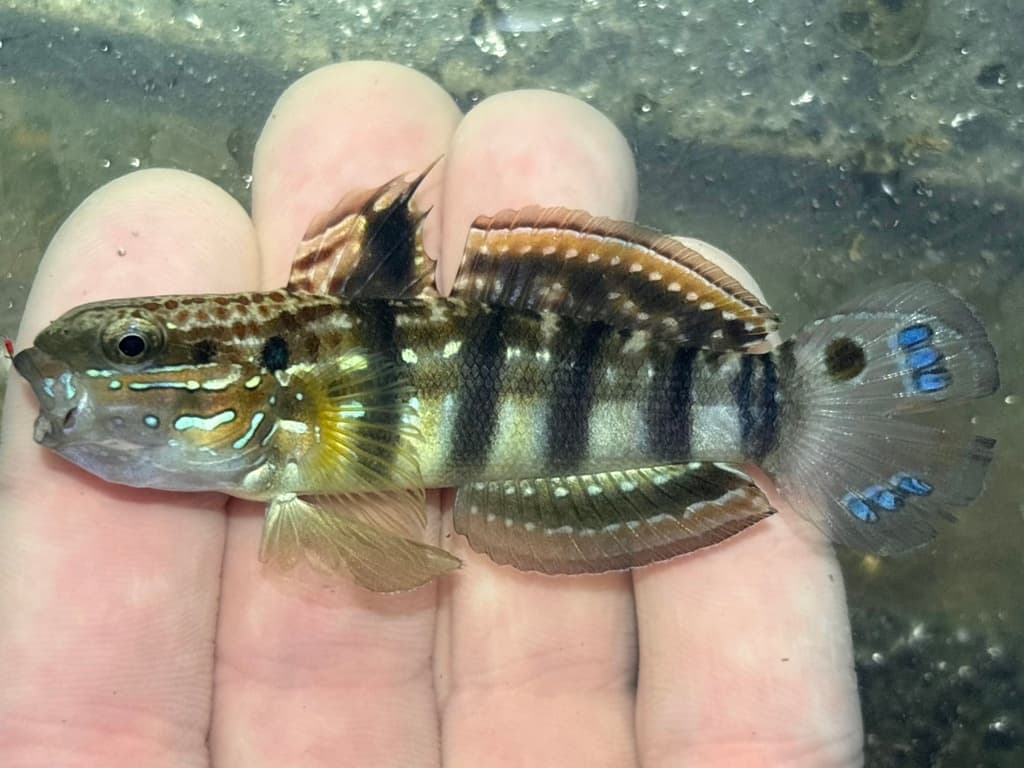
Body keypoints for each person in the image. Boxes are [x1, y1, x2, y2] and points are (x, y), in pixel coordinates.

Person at [0, 61, 863, 766]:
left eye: (132, 350)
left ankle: (780, 406)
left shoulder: (298, 414)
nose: (86, 373)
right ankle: (774, 407)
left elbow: (372, 508)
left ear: (251, 373)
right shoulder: (282, 432)